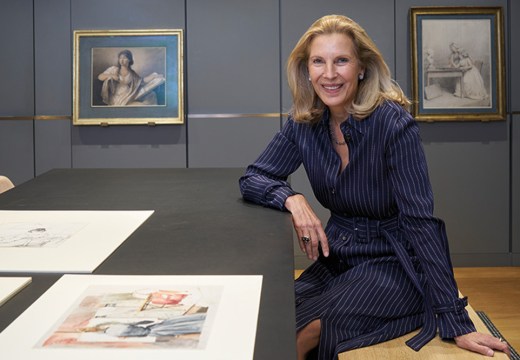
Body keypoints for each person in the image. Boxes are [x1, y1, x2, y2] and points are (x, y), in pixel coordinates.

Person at [239, 15, 509, 360]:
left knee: (308, 333)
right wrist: (292, 198)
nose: (330, 73)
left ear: (362, 68)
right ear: (307, 70)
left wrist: (456, 320)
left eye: (342, 61)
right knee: (276, 316)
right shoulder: (304, 123)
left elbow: (421, 223)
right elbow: (254, 177)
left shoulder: (394, 125)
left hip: (395, 263)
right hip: (338, 259)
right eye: (319, 61)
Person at [97, 49, 165, 106]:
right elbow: (100, 77)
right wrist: (111, 75)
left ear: (129, 60)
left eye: (124, 58)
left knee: (151, 95)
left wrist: (154, 76)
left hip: (129, 94)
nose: (122, 60)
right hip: (117, 97)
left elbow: (141, 81)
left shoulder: (132, 73)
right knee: (141, 105)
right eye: (120, 58)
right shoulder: (114, 69)